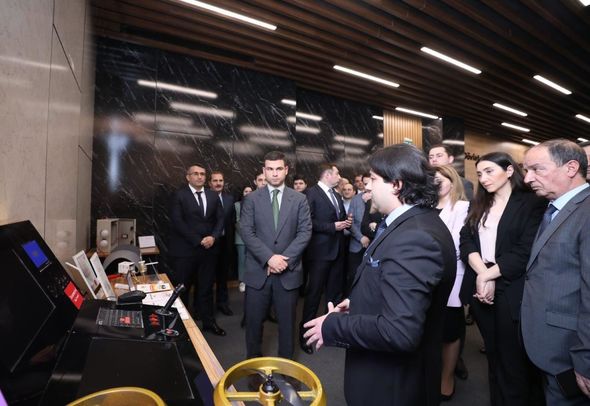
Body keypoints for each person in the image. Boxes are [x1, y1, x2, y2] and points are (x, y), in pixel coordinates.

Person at [303, 144, 456, 406]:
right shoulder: (412, 223)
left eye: (373, 179)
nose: (368, 187)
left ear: (396, 185)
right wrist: (357, 303)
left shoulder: (415, 237)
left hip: (393, 387)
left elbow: (400, 331)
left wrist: (332, 326)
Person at [459, 152, 545, 406]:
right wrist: (482, 274)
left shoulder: (532, 203)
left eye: (489, 171)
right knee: (494, 354)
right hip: (481, 287)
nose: (483, 178)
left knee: (513, 358)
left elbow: (525, 250)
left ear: (509, 171)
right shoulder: (479, 203)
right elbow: (466, 240)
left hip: (511, 288)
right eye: (479, 174)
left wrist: (487, 275)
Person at [521, 139, 590, 405]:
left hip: (571, 352)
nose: (527, 178)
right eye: (526, 170)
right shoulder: (554, 207)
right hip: (549, 345)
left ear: (571, 168)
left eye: (537, 169)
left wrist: (585, 360)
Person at [240, 151, 312, 361]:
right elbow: (247, 232)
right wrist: (269, 258)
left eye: (278, 168)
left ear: (286, 170)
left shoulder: (299, 199)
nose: (274, 173)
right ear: (264, 171)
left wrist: (283, 260)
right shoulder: (251, 199)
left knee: (287, 325)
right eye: (270, 169)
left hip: (288, 272)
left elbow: (305, 232)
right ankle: (253, 367)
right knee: (253, 325)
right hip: (258, 272)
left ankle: (287, 368)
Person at [168, 164, 226, 336]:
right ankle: (182, 326)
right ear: (188, 177)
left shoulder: (213, 195)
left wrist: (213, 237)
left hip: (209, 250)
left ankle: (209, 322)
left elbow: (220, 219)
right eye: (195, 174)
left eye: (202, 174)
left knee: (206, 288)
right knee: (183, 289)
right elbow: (178, 221)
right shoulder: (179, 195)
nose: (199, 177)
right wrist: (198, 240)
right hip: (186, 250)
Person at [300, 163, 351, 354]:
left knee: (334, 295)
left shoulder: (336, 195)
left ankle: (331, 332)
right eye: (337, 173)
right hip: (319, 254)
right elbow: (307, 222)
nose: (339, 176)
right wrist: (332, 227)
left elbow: (340, 217)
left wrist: (346, 222)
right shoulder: (311, 194)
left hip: (338, 251)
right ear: (328, 175)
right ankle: (305, 337)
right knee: (313, 296)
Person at [434, 165, 469, 401]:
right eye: (432, 179)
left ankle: (447, 377)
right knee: (430, 331)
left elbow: (456, 245)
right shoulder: (423, 206)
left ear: (452, 180)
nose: (436, 183)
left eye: (441, 179)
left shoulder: (462, 207)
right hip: (425, 278)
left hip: (450, 276)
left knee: (449, 331)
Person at [209, 171, 235, 316]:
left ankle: (222, 303)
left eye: (221, 180)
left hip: (225, 242)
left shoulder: (229, 199)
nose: (218, 183)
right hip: (209, 243)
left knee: (223, 276)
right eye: (215, 180)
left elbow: (232, 221)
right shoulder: (204, 197)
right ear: (209, 183)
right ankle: (202, 307)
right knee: (206, 277)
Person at [347, 173, 371, 293]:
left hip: (373, 245)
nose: (367, 186)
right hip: (356, 245)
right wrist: (360, 237)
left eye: (369, 183)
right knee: (353, 276)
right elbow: (349, 222)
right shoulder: (356, 199)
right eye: (365, 183)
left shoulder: (381, 199)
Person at [234, 185, 253, 293]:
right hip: (241, 238)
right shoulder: (237, 205)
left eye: (250, 191)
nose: (248, 193)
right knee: (242, 261)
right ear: (242, 193)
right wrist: (247, 235)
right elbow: (237, 222)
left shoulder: (256, 203)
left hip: (254, 239)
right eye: (246, 191)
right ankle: (242, 281)